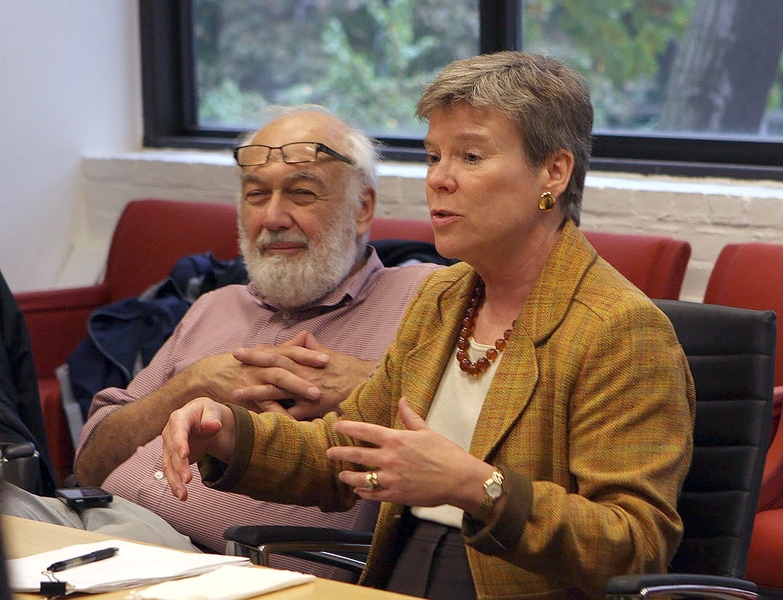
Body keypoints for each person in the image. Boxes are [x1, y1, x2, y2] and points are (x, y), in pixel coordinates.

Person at [161, 51, 696, 600]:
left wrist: (476, 487)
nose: (439, 180)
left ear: (553, 173)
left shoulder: (621, 329)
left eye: (470, 156)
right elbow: (344, 450)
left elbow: (635, 543)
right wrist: (227, 432)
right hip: (402, 572)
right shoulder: (444, 296)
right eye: (433, 156)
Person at [3, 107, 441, 571]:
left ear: (363, 208)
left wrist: (372, 384)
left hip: (205, 561)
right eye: (255, 195)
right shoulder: (216, 304)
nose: (273, 217)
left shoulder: (422, 300)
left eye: (302, 193)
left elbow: (485, 433)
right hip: (82, 522)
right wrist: (191, 385)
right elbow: (89, 463)